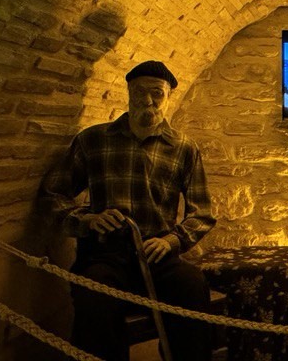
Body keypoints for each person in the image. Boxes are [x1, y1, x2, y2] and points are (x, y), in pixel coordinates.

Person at [41, 60, 216, 361]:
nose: (147, 100)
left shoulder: (184, 148)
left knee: (192, 286)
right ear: (128, 93)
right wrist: (87, 220)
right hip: (105, 254)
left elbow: (202, 213)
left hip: (157, 254)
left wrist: (171, 241)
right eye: (139, 92)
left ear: (169, 96)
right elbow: (53, 194)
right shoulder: (93, 140)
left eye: (156, 93)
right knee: (94, 296)